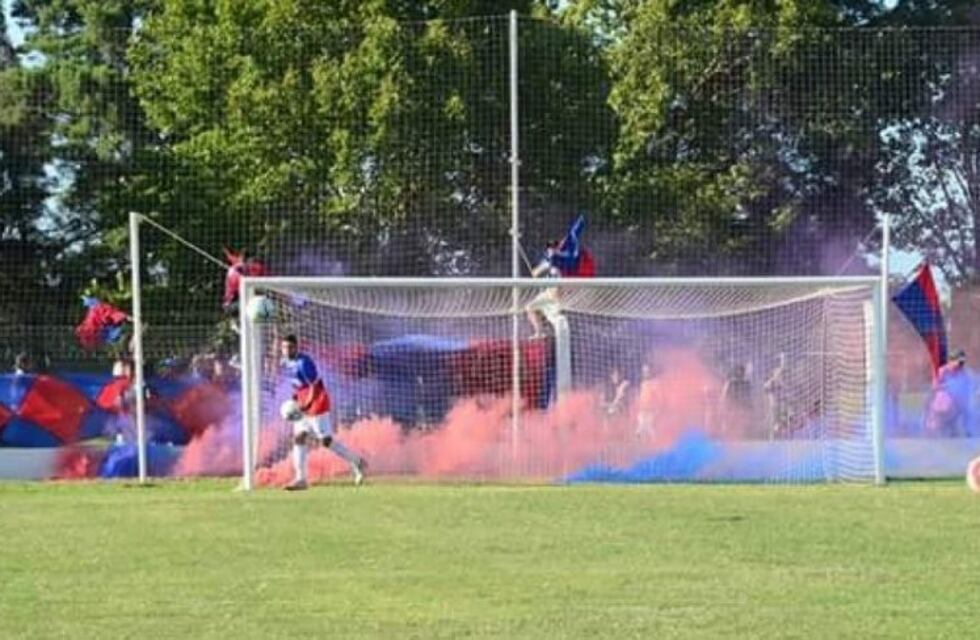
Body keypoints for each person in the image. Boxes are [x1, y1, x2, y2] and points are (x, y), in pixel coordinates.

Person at [280, 334, 366, 490]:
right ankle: (301, 479)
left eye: (290, 347)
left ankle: (357, 462)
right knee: (299, 437)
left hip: (317, 402)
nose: (286, 350)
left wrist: (306, 405)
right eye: (284, 347)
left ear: (296, 347)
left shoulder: (304, 362)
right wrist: (295, 401)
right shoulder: (285, 363)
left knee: (326, 441)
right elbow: (298, 385)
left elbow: (314, 386)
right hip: (302, 402)